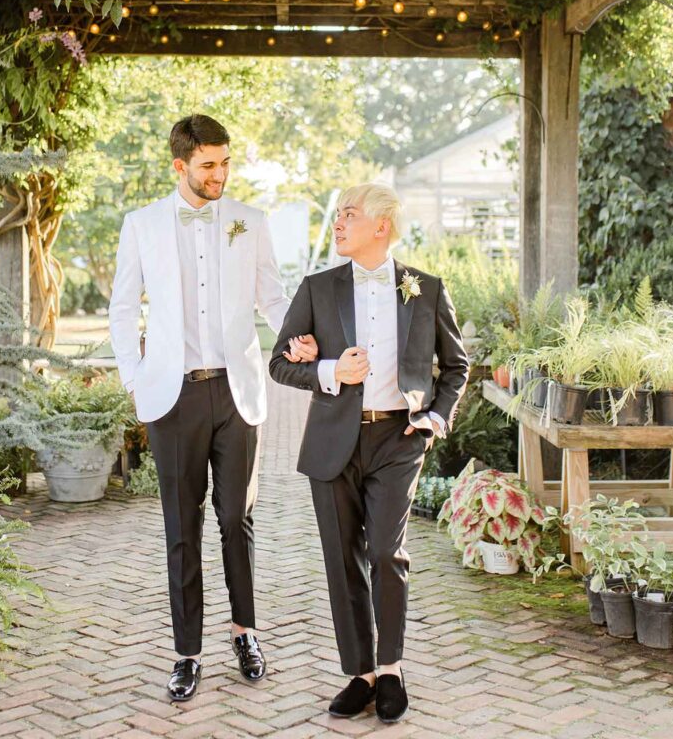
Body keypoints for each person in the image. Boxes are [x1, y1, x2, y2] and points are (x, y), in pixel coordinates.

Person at [108, 114, 318, 701]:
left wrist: (296, 336)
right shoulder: (142, 225)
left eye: (226, 163)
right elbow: (122, 307)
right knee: (183, 526)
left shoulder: (250, 222)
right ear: (180, 165)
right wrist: (133, 375)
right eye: (208, 165)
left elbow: (273, 295)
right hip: (171, 396)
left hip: (236, 391)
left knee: (236, 519)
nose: (220, 174)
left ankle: (245, 632)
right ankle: (187, 652)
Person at [269, 183, 468, 723]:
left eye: (349, 215)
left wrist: (435, 416)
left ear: (381, 226)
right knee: (342, 559)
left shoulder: (424, 288)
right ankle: (360, 673)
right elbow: (279, 364)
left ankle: (392, 668)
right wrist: (329, 371)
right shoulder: (316, 288)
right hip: (333, 438)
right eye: (338, 215)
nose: (338, 224)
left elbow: (456, 367)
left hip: (397, 441)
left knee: (385, 552)